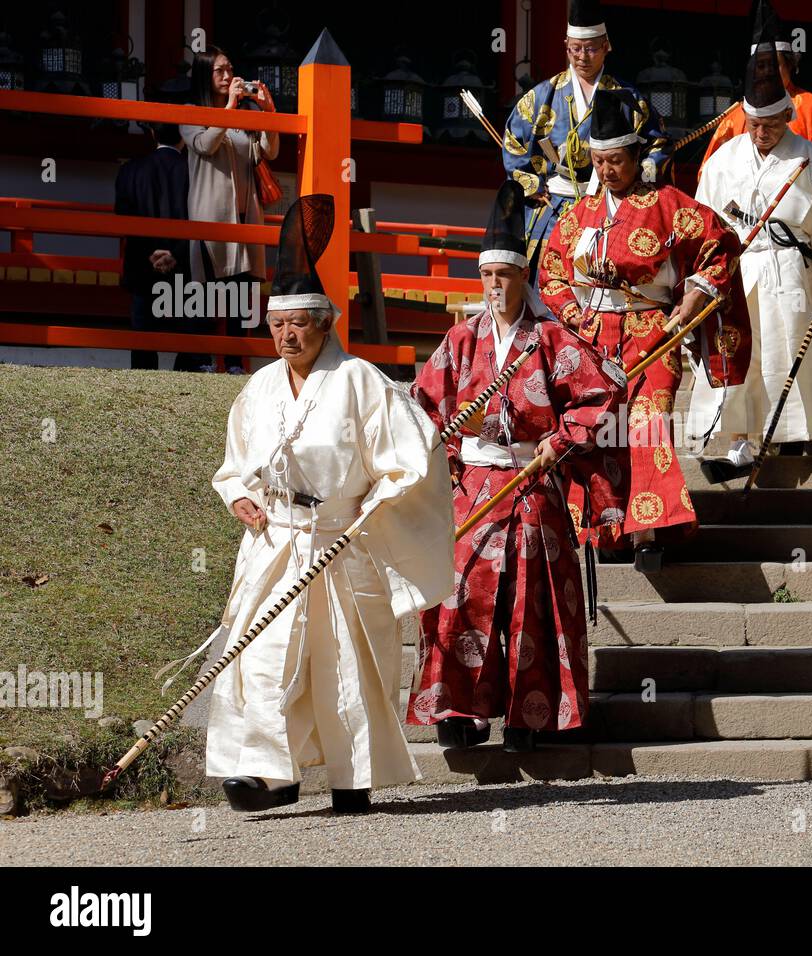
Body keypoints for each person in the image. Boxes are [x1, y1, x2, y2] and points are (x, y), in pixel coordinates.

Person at [190, 195, 454, 814]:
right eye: (277, 324)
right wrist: (242, 500)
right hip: (276, 540)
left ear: (324, 323)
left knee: (346, 667)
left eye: (299, 324)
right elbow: (234, 466)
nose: (286, 335)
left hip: (342, 537)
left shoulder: (361, 380)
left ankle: (352, 779)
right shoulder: (257, 389)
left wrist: (378, 501)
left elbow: (408, 459)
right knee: (260, 657)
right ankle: (267, 774)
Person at [407, 181, 625, 753]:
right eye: (488, 278)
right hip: (475, 485)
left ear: (522, 278)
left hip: (533, 480)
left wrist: (561, 439)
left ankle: (534, 713)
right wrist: (446, 461)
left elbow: (599, 397)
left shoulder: (551, 338)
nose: (496, 288)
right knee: (457, 590)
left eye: (505, 277)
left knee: (534, 595)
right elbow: (425, 408)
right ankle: (459, 709)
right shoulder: (460, 339)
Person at [539, 88, 752, 571]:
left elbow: (722, 242)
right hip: (591, 337)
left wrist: (696, 291)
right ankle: (606, 532)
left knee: (647, 424)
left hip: (651, 331)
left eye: (616, 160)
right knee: (596, 429)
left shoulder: (668, 202)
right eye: (598, 161)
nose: (607, 171)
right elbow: (552, 270)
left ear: (636, 155)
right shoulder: (578, 215)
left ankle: (650, 533)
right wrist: (573, 315)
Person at [688, 36, 812, 467]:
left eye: (772, 123)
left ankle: (790, 435)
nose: (762, 132)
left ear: (787, 114)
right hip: (737, 271)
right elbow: (700, 220)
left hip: (788, 269)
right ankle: (737, 437)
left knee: (787, 347)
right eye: (755, 123)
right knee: (735, 350)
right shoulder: (724, 161)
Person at [501, 0, 670, 262]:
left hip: (610, 206)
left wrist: (643, 170)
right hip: (554, 204)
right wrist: (530, 183)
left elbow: (657, 143)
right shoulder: (542, 97)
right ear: (566, 47)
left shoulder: (627, 98)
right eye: (576, 49)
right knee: (548, 282)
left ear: (606, 47)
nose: (583, 57)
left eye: (591, 49)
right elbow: (513, 141)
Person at [180, 46, 280, 373]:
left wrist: (267, 112)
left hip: (244, 217)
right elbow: (204, 144)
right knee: (207, 291)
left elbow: (269, 150)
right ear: (204, 75)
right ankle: (202, 360)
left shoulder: (240, 119)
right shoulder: (190, 111)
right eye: (219, 71)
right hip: (210, 217)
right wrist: (229, 108)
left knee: (241, 290)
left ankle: (236, 362)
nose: (227, 76)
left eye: (230, 69)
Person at [700, 0, 812, 168]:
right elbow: (711, 173)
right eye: (760, 66)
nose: (766, 73)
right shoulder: (736, 116)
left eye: (773, 65)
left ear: (789, 65)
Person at [113, 122, 195, 371]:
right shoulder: (195, 171)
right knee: (190, 328)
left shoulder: (131, 169)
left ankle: (143, 375)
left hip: (142, 260)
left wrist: (151, 252)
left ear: (152, 133)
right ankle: (187, 372)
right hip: (184, 263)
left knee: (142, 331)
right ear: (183, 135)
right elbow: (201, 218)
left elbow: (123, 215)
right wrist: (175, 253)